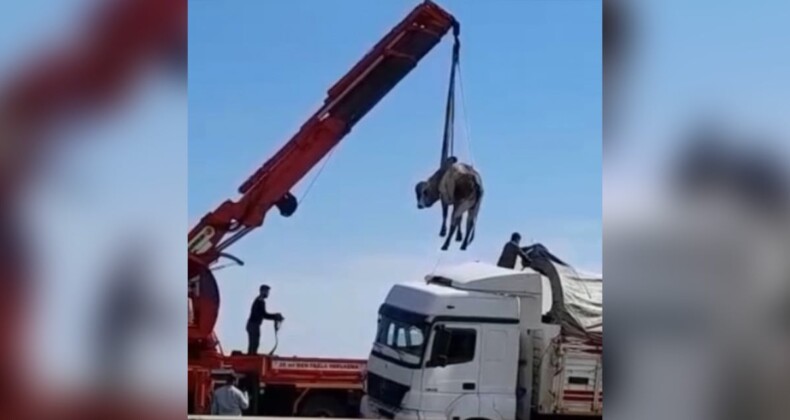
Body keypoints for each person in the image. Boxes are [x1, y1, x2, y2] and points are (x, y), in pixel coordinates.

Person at [246, 284, 284, 355]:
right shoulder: (260, 301)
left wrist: (274, 316)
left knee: (254, 345)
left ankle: (251, 356)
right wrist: (275, 316)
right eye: (266, 291)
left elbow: (263, 314)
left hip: (253, 325)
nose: (267, 293)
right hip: (253, 325)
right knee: (254, 345)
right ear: (262, 291)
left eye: (268, 292)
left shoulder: (259, 300)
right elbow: (263, 314)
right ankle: (251, 358)